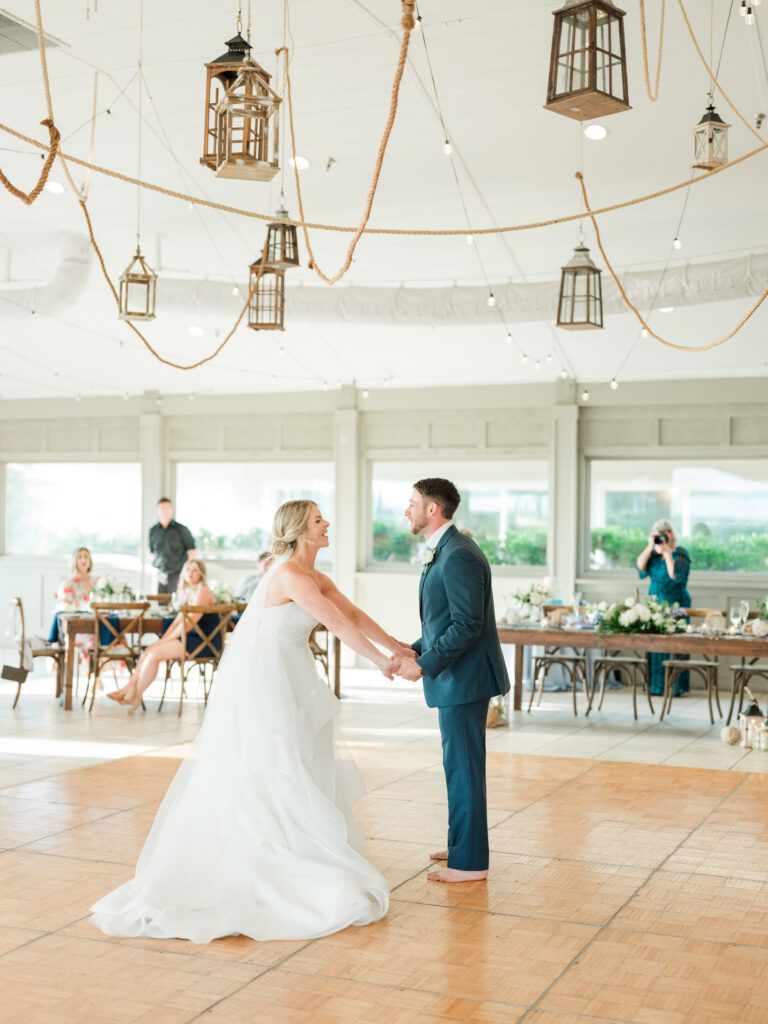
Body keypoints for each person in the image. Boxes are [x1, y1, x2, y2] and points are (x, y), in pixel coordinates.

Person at [91, 500, 394, 942]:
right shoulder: (289, 573)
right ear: (299, 531)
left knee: (302, 759)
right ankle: (274, 849)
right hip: (268, 678)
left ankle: (296, 840)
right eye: (318, 520)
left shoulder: (313, 574)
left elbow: (353, 615)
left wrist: (397, 646)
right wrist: (385, 664)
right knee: (274, 763)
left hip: (293, 671)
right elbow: (335, 625)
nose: (326, 523)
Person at [392, 478, 510, 883]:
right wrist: (412, 650)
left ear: (432, 510)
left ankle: (470, 864)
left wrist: (424, 665)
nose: (406, 510)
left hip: (465, 680)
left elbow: (466, 625)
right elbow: (442, 621)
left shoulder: (457, 554)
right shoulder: (447, 549)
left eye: (412, 503)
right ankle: (462, 845)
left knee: (464, 770)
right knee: (458, 768)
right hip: (459, 679)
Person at [107, 559, 216, 711]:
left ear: (201, 574)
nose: (190, 573)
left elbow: (190, 623)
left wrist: (166, 641)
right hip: (191, 638)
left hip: (204, 642)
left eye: (195, 570)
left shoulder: (202, 591)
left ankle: (136, 694)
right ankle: (131, 686)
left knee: (155, 652)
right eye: (188, 569)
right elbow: (178, 622)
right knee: (151, 648)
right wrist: (163, 640)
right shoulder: (189, 592)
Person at [636, 518, 692, 696]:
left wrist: (667, 553)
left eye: (666, 531)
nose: (663, 535)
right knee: (655, 645)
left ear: (672, 533)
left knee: (675, 644)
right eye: (659, 532)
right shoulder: (653, 554)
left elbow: (675, 575)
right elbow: (640, 570)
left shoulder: (681, 553)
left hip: (677, 604)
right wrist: (650, 547)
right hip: (655, 605)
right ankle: (655, 686)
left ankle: (675, 686)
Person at [149, 498, 197, 595]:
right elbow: (152, 552)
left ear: (171, 509)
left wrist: (186, 570)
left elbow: (192, 550)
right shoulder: (153, 531)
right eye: (162, 508)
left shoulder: (181, 529)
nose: (164, 510)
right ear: (157, 510)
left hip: (177, 573)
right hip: (159, 573)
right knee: (159, 602)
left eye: (167, 508)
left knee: (176, 601)